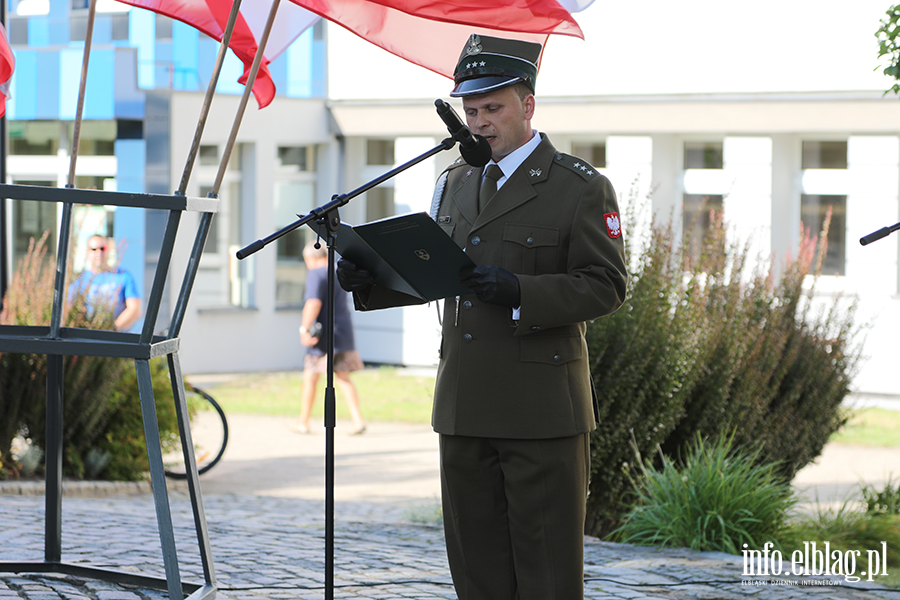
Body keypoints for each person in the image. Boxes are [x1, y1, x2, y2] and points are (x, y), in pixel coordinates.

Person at [337, 34, 628, 599]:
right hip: (463, 405)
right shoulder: (455, 181)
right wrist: (370, 281)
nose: (479, 122)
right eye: (471, 110)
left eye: (492, 107)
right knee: (476, 573)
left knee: (546, 573)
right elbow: (438, 273)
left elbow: (607, 285)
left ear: (528, 105)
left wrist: (521, 289)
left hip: (541, 410)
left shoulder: (578, 187)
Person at [292, 241, 366, 435]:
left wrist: (303, 329)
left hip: (323, 335)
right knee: (343, 377)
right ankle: (358, 420)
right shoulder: (337, 270)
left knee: (311, 376)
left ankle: (303, 422)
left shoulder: (316, 273)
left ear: (310, 258)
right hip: (342, 331)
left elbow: (313, 303)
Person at [70, 234, 142, 331]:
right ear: (87, 253)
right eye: (94, 249)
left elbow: (135, 309)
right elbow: (69, 308)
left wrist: (111, 329)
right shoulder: (78, 280)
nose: (98, 253)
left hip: (117, 340)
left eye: (102, 248)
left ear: (108, 250)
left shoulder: (123, 276)